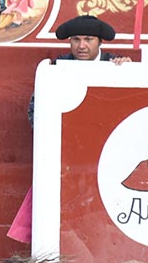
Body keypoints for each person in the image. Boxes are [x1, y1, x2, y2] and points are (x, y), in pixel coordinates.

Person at [8, 15, 133, 243]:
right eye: (76, 39)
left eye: (88, 39)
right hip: (65, 155)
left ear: (100, 42)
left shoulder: (116, 67)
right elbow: (35, 111)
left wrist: (125, 70)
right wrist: (54, 143)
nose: (82, 46)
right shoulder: (56, 68)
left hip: (106, 156)